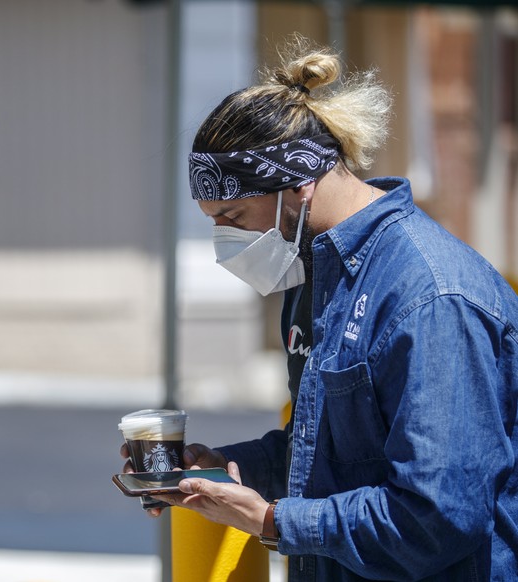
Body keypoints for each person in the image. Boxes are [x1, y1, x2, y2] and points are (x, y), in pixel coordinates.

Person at [122, 37, 518, 581]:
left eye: (233, 217)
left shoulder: (431, 297)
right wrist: (226, 468)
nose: (224, 241)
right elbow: (334, 452)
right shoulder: (313, 276)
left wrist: (273, 522)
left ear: (299, 185)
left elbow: (438, 517)